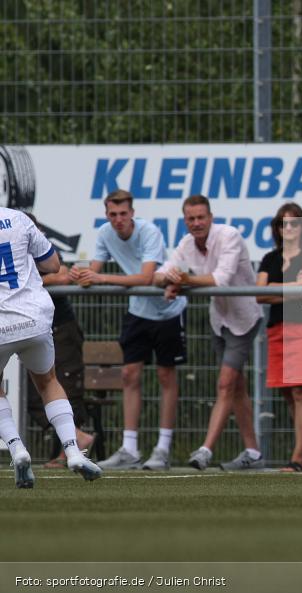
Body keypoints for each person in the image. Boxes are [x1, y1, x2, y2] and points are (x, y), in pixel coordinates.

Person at [72, 190, 187, 471]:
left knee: (165, 375)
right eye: (113, 214)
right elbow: (93, 269)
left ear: (132, 213)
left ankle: (162, 448)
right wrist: (77, 273)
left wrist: (99, 277)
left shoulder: (149, 232)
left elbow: (147, 277)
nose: (118, 219)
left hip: (168, 311)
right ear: (106, 215)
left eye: (123, 214)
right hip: (138, 311)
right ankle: (130, 449)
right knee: (129, 374)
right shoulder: (104, 233)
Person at [155, 194, 265, 471]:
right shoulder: (186, 244)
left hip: (244, 318)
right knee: (236, 387)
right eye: (191, 219)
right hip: (219, 320)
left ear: (211, 218)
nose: (196, 223)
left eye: (201, 217)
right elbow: (163, 272)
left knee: (225, 384)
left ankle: (205, 451)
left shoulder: (230, 236)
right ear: (185, 222)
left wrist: (182, 281)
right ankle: (253, 452)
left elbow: (221, 279)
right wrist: (171, 280)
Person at [0, 206, 102, 486]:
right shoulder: (19, 218)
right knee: (48, 383)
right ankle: (72, 450)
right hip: (32, 317)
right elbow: (53, 265)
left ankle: (17, 448)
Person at [21, 213, 94, 466]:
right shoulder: (13, 246)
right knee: (33, 398)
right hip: (28, 329)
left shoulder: (42, 244)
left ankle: (68, 452)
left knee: (66, 389)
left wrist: (25, 279)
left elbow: (62, 274)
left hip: (60, 328)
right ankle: (77, 438)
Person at [257, 202, 302, 472]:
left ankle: (297, 459)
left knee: (301, 391)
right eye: (284, 223)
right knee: (287, 393)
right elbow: (258, 293)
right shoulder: (269, 259)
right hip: (277, 329)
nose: (289, 228)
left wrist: (275, 288)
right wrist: (290, 289)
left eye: (294, 223)